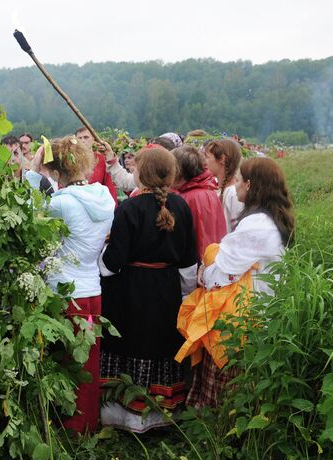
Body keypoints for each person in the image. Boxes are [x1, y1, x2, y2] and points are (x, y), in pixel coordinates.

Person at [177, 158, 294, 408]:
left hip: (244, 314)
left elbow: (224, 272)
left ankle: (217, 430)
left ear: (250, 186)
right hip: (263, 307)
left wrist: (204, 274)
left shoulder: (256, 225)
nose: (235, 186)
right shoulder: (272, 219)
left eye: (239, 181)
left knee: (228, 381)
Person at [99, 147, 197, 433]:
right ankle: (162, 412)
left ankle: (128, 416)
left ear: (142, 173)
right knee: (159, 344)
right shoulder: (181, 206)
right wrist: (185, 295)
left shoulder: (129, 208)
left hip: (132, 290)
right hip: (166, 289)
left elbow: (113, 262)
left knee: (132, 342)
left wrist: (100, 260)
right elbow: (188, 260)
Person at [28, 136, 115, 432]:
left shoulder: (62, 204)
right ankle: (87, 423)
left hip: (63, 291)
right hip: (92, 290)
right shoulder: (103, 197)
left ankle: (66, 428)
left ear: (58, 168)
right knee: (86, 362)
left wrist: (34, 168)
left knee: (62, 361)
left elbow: (29, 213)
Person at [171, 144, 227, 260]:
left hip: (197, 264)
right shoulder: (208, 190)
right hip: (213, 258)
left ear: (179, 172)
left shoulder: (188, 197)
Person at [202, 139, 243, 233]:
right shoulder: (219, 190)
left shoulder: (234, 194)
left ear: (222, 159)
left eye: (207, 157)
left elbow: (237, 231)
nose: (205, 162)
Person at [75, 127, 118, 203]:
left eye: (86, 137)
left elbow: (110, 187)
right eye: (79, 138)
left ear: (93, 139)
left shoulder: (102, 160)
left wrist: (113, 209)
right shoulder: (71, 161)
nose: (82, 141)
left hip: (99, 204)